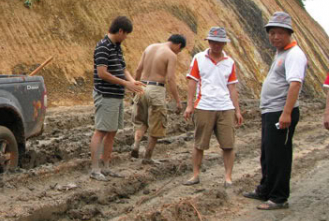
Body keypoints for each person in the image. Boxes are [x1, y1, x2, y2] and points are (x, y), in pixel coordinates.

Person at [243, 12, 307, 210]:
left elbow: (295, 84)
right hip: (271, 111)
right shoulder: (281, 53)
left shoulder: (294, 54)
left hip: (281, 111)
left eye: (280, 33)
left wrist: (286, 113)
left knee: (279, 155)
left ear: (289, 33)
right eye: (272, 33)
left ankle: (279, 197)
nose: (275, 37)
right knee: (268, 153)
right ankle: (265, 189)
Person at [183, 27, 244, 187]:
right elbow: (192, 82)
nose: (216, 45)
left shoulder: (229, 62)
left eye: (220, 42)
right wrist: (189, 105)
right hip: (204, 105)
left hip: (225, 107)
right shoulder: (199, 58)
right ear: (209, 42)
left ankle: (228, 177)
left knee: (228, 144)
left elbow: (232, 87)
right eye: (213, 42)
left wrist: (237, 110)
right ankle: (195, 175)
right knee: (199, 143)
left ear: (224, 43)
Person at [90, 16, 144, 181]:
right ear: (120, 31)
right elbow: (102, 73)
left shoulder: (117, 47)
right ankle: (94, 169)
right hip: (106, 95)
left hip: (116, 95)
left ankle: (106, 166)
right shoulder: (103, 47)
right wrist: (125, 83)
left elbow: (122, 67)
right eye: (126, 34)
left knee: (112, 132)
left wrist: (131, 80)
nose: (126, 37)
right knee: (101, 131)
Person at [131, 34, 186, 162]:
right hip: (156, 89)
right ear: (178, 45)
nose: (178, 52)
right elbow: (170, 79)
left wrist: (134, 87)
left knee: (141, 121)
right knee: (157, 124)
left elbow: (138, 70)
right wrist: (177, 100)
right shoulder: (171, 55)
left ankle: (136, 143)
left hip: (142, 87)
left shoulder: (149, 47)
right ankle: (147, 157)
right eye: (180, 50)